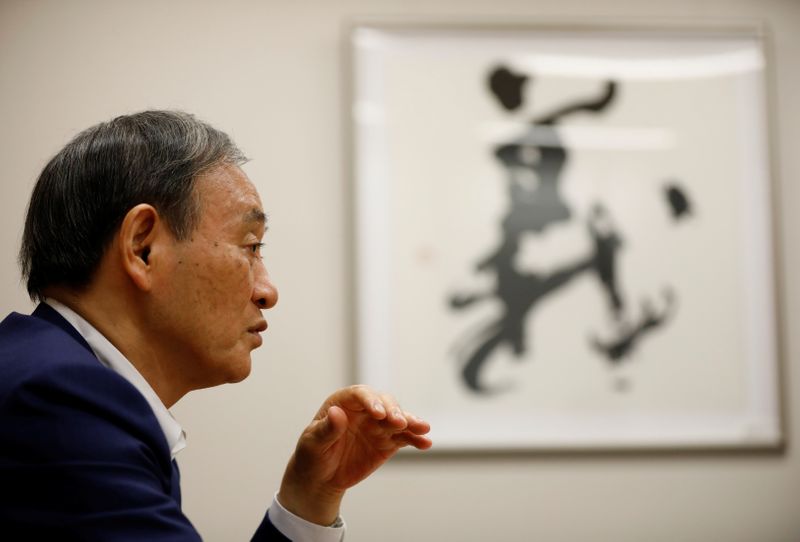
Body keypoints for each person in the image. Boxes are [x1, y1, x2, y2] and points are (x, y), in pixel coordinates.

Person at [0, 110, 432, 541]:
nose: (268, 291)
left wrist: (310, 496)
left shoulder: (48, 375)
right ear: (143, 247)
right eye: (251, 246)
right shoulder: (60, 400)